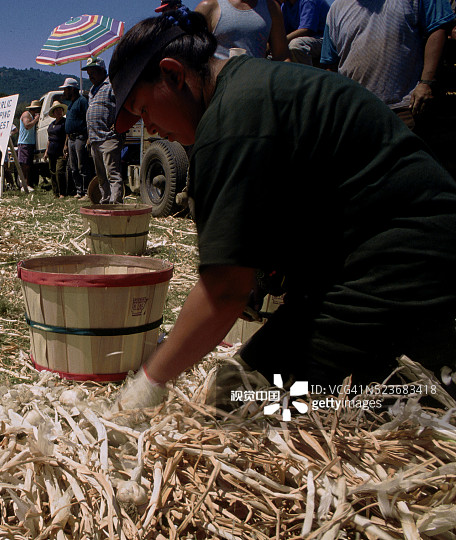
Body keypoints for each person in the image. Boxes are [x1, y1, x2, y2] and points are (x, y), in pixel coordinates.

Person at [108, 6, 456, 409]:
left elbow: (223, 292)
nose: (147, 128)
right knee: (249, 387)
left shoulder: (231, 123)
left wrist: (148, 384)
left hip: (409, 264)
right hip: (380, 257)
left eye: (143, 108)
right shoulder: (246, 89)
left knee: (241, 398)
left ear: (172, 74)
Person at [321, 0, 455, 174]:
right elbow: (330, 63)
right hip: (356, 116)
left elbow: (438, 28)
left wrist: (426, 82)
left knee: (406, 175)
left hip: (403, 110)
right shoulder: (337, 8)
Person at [83, 57, 126, 204]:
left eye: (93, 72)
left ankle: (116, 202)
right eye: (88, 74)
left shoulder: (111, 86)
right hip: (95, 138)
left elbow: (122, 103)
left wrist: (118, 123)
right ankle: (106, 199)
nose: (90, 77)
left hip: (108, 137)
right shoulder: (92, 91)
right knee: (101, 174)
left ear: (102, 71)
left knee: (112, 172)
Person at [196, 0, 290, 60]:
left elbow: (282, 57)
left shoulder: (271, 8)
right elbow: (191, 57)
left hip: (255, 82)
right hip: (219, 85)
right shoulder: (208, 7)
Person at [60, 77, 92, 198]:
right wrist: (65, 143)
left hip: (80, 137)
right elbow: (69, 124)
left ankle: (86, 191)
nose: (64, 93)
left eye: (66, 90)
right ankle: (79, 191)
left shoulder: (82, 101)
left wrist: (88, 136)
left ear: (72, 89)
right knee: (73, 167)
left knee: (82, 165)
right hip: (71, 138)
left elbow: (87, 119)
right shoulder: (71, 104)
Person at [279, 0, 328, 65]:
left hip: (324, 40)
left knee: (296, 45)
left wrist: (280, 42)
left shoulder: (309, 1)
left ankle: (306, 74)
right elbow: (281, 31)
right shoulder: (285, 5)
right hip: (304, 38)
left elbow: (306, 30)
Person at [45, 100, 68, 199]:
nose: (59, 112)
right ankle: (55, 192)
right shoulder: (51, 125)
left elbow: (67, 135)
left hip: (60, 149)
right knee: (52, 172)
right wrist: (46, 152)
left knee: (60, 171)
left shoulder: (64, 123)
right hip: (51, 151)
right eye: (57, 110)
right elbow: (49, 139)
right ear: (53, 113)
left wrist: (65, 146)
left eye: (60, 110)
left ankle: (62, 192)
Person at [17, 100, 41, 193]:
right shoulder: (26, 115)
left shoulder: (31, 116)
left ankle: (27, 184)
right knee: (25, 165)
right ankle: (24, 185)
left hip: (29, 143)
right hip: (24, 143)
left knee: (28, 165)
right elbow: (27, 125)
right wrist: (36, 119)